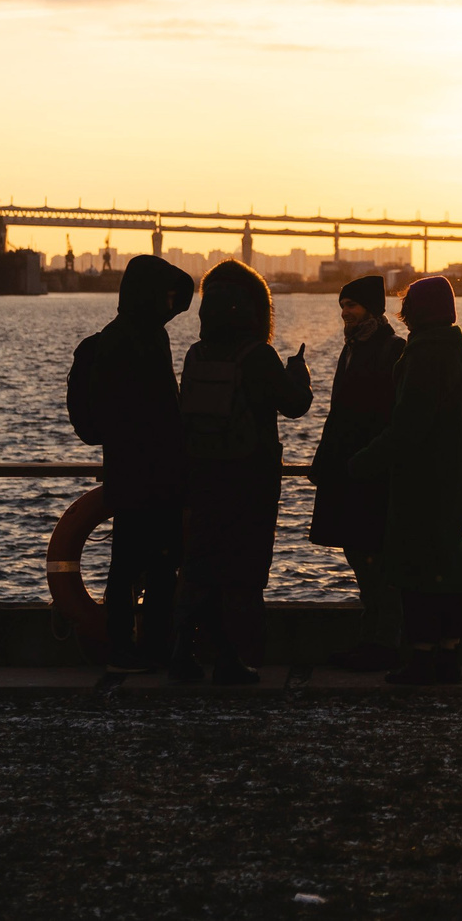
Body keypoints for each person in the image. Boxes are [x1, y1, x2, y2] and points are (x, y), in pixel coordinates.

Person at [174, 259, 312, 685]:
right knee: (244, 572)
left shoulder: (197, 354)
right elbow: (294, 405)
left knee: (200, 568)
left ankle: (183, 655)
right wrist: (299, 377)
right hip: (249, 481)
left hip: (201, 478)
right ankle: (234, 659)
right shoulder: (258, 355)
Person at [64, 255, 195, 672]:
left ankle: (139, 646)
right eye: (167, 294)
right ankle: (133, 646)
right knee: (140, 567)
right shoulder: (131, 340)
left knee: (142, 566)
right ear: (149, 294)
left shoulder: (143, 334)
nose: (173, 302)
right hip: (147, 473)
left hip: (136, 473)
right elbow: (147, 411)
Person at [349, 274, 462, 685]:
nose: (402, 316)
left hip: (419, 481)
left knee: (415, 567)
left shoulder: (424, 355)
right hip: (453, 477)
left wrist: (363, 461)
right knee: (449, 565)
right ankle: (448, 655)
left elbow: (408, 427)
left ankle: (421, 656)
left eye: (408, 308)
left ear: (418, 312)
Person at [308, 272, 404, 670]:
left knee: (372, 556)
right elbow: (339, 412)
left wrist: (364, 457)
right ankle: (375, 639)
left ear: (372, 308)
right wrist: (323, 459)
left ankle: (381, 643)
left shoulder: (390, 348)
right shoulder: (352, 348)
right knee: (359, 552)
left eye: (352, 305)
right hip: (347, 468)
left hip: (370, 471)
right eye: (343, 306)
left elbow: (387, 414)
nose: (345, 312)